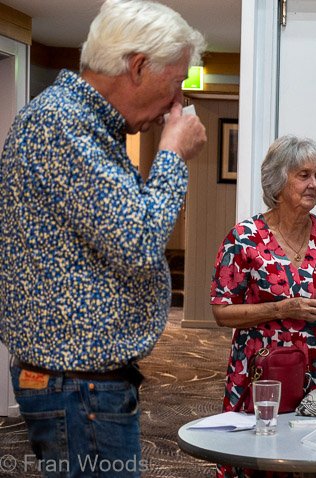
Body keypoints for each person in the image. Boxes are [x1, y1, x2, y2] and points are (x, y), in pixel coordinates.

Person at [0, 0, 206, 475]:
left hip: (81, 382)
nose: (177, 102)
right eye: (176, 82)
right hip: (78, 385)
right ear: (138, 66)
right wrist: (173, 155)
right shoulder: (63, 125)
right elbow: (139, 242)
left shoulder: (82, 125)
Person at [211, 135, 316, 478]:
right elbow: (221, 311)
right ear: (278, 180)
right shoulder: (244, 237)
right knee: (261, 455)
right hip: (264, 369)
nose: (314, 184)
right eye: (303, 175)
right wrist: (281, 309)